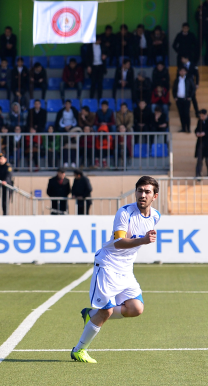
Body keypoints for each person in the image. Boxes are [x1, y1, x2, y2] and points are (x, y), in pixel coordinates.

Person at [70, 176, 160, 364]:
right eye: (139, 190)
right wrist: (143, 240)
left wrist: (144, 238)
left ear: (155, 196)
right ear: (135, 192)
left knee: (136, 308)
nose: (142, 195)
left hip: (126, 269)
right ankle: (79, 350)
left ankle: (91, 314)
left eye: (147, 191)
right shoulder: (125, 212)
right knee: (107, 312)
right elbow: (119, 243)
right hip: (108, 265)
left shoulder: (156, 216)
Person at [84, 35, 108, 100]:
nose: (99, 41)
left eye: (100, 40)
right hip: (93, 66)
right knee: (93, 82)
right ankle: (91, 97)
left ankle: (100, 98)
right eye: (98, 40)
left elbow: (107, 52)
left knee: (100, 83)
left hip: (100, 66)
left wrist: (105, 56)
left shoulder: (102, 46)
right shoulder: (90, 47)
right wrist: (88, 66)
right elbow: (87, 57)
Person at [173, 66, 196, 133]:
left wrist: (190, 97)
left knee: (186, 113)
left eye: (183, 71)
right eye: (181, 71)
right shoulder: (177, 80)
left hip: (186, 99)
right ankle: (183, 128)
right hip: (179, 99)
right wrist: (175, 97)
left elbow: (193, 88)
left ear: (186, 72)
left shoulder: (189, 79)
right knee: (181, 114)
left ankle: (188, 128)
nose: (182, 72)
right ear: (179, 72)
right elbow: (174, 90)